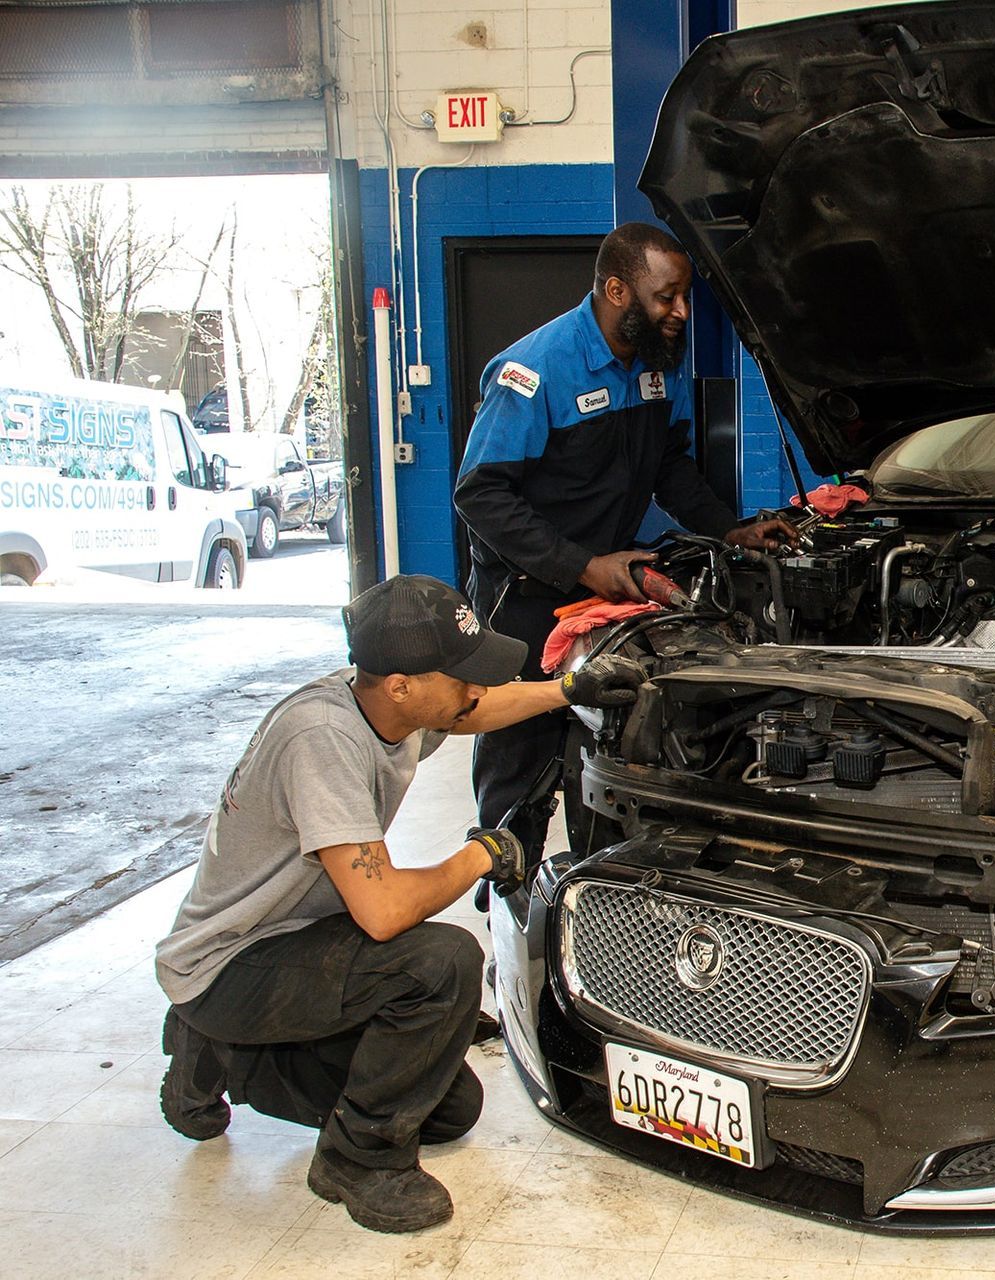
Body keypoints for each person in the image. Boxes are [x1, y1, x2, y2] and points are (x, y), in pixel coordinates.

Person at [153, 574, 649, 1233]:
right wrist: (483, 853)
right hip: (233, 960)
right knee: (441, 962)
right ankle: (356, 1162)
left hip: (299, 937)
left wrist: (566, 691)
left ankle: (227, 1056)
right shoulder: (322, 740)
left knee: (449, 1110)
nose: (474, 688)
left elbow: (475, 709)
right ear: (402, 684)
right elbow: (382, 912)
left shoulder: (386, 703)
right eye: (461, 674)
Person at [454, 221, 794, 854]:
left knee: (604, 752)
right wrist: (583, 565)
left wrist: (730, 528)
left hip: (606, 597)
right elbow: (479, 496)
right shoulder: (535, 370)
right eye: (667, 297)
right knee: (518, 765)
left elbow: (669, 467)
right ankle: (507, 905)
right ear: (616, 290)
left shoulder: (654, 367)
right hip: (525, 602)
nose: (681, 312)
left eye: (684, 296)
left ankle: (596, 904)